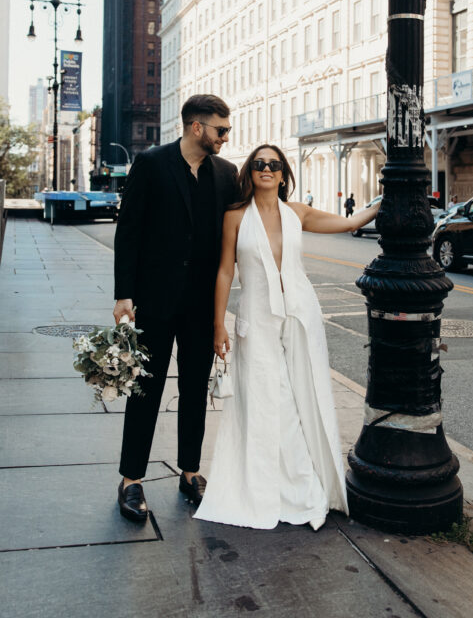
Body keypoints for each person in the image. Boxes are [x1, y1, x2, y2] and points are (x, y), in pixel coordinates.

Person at [194, 144, 379, 531]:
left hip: (301, 316)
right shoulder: (235, 217)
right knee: (265, 399)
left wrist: (385, 200)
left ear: (282, 175)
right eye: (259, 163)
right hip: (255, 318)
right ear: (250, 172)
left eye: (273, 164)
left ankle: (306, 485)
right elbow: (225, 271)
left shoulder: (298, 213)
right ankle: (269, 490)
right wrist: (218, 324)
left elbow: (349, 223)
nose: (266, 168)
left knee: (305, 396)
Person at [112, 94, 238, 521]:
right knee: (144, 390)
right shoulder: (151, 163)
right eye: (221, 129)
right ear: (196, 127)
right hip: (156, 299)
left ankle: (190, 471)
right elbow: (128, 230)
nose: (226, 136)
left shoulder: (227, 173)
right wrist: (123, 295)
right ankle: (131, 480)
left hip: (202, 304)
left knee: (194, 390)